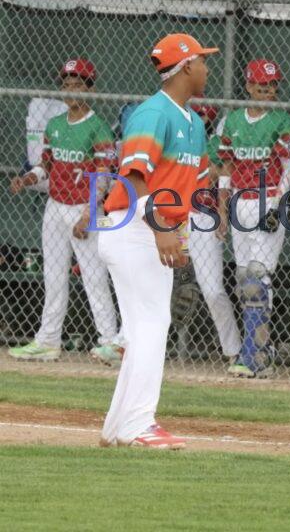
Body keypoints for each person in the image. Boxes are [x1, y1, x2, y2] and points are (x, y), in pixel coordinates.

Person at [97, 32, 216, 449]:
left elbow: (189, 185)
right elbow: (132, 182)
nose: (206, 68)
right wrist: (162, 228)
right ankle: (138, 424)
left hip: (154, 230)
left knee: (146, 326)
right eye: (201, 61)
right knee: (150, 326)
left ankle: (118, 426)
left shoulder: (194, 122)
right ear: (185, 67)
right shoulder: (152, 114)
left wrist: (176, 231)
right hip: (132, 227)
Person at [7, 58, 122, 365]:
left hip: (85, 208)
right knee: (53, 276)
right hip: (55, 207)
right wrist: (29, 178)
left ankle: (109, 342)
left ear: (90, 88)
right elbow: (46, 164)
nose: (71, 90)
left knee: (94, 277)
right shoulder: (55, 124)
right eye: (67, 85)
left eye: (78, 84)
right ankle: (48, 341)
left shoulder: (98, 127)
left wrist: (88, 215)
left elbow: (104, 175)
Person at [218, 59, 290, 378]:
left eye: (272, 86)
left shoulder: (284, 122)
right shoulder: (234, 120)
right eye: (261, 86)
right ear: (249, 86)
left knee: (257, 279)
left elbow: (289, 169)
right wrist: (223, 209)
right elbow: (225, 167)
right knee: (244, 279)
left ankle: (253, 356)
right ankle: (261, 349)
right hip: (239, 201)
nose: (267, 91)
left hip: (267, 199)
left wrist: (277, 204)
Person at [187, 105, 238, 363]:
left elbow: (223, 173)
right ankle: (124, 343)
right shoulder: (171, 136)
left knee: (212, 290)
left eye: (203, 115)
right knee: (149, 282)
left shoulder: (217, 142)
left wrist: (221, 210)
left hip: (203, 216)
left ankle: (233, 350)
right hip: (169, 215)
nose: (199, 119)